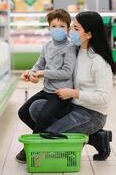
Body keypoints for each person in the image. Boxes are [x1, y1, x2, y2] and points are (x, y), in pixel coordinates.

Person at [17, 11, 114, 163]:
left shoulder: (99, 61)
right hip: (72, 105)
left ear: (88, 34)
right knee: (35, 109)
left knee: (49, 134)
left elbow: (104, 98)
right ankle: (96, 138)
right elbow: (50, 64)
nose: (70, 32)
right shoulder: (77, 50)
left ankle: (95, 136)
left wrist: (74, 93)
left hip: (92, 114)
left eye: (76, 29)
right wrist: (32, 73)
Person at [18, 9, 76, 137]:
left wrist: (43, 73)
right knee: (22, 112)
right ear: (49, 28)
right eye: (53, 26)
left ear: (68, 29)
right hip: (47, 90)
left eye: (62, 26)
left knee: (43, 117)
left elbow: (66, 72)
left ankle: (36, 141)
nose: (57, 29)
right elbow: (39, 64)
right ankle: (48, 135)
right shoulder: (47, 46)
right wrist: (31, 73)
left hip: (61, 93)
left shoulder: (70, 47)